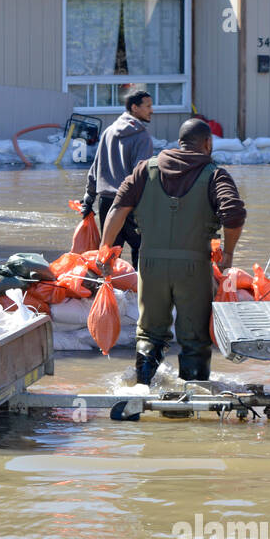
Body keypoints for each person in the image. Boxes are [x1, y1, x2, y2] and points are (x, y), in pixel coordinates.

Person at [99, 118, 245, 384]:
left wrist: (106, 251)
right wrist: (229, 253)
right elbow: (234, 214)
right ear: (208, 143)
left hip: (150, 266)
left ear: (179, 143)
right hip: (194, 269)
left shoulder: (145, 170)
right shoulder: (215, 174)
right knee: (194, 339)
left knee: (149, 334)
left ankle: (140, 392)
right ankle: (191, 402)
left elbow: (117, 209)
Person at [79, 90, 154, 266]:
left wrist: (88, 199)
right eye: (148, 106)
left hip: (106, 203)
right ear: (134, 108)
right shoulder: (142, 137)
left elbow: (95, 168)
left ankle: (110, 291)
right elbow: (140, 174)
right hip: (130, 203)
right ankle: (138, 291)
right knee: (143, 250)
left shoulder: (108, 132)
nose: (152, 110)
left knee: (109, 255)